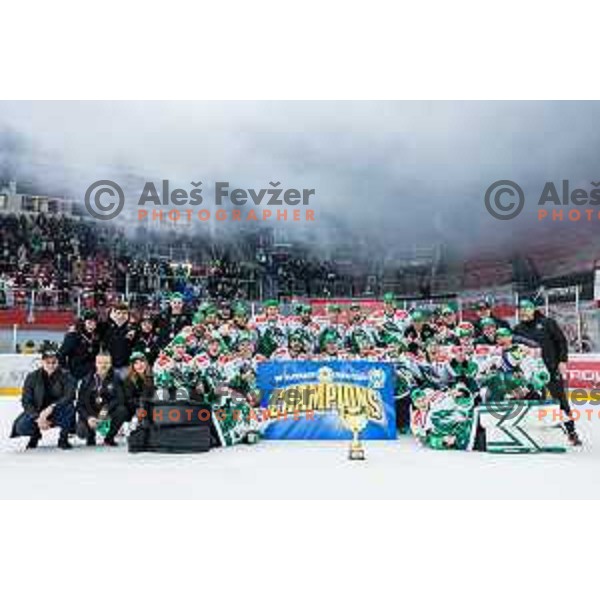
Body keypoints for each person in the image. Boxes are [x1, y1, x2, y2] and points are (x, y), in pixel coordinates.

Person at [513, 299, 582, 446]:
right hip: (530, 374)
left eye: (527, 309)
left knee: (561, 401)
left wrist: (562, 361)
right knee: (536, 401)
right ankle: (540, 431)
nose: (524, 312)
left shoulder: (547, 323)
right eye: (521, 309)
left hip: (550, 369)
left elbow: (561, 342)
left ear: (533, 309)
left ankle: (571, 431)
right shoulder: (518, 329)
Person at [10, 347, 76, 450]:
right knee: (21, 427)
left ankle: (63, 438)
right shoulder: (32, 377)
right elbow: (26, 401)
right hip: (38, 413)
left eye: (54, 362)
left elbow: (69, 396)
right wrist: (37, 418)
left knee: (69, 408)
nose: (51, 365)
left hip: (57, 412)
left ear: (58, 362)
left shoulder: (66, 375)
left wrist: (51, 408)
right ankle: (35, 435)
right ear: (42, 362)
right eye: (47, 362)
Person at [76, 352, 129, 446]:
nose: (103, 365)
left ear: (111, 363)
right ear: (95, 363)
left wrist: (106, 410)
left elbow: (120, 399)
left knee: (122, 410)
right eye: (100, 363)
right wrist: (89, 418)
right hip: (91, 412)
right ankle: (90, 436)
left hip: (107, 411)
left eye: (106, 363)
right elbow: (80, 404)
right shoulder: (86, 380)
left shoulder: (116, 378)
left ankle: (109, 438)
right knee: (81, 431)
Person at [58, 309, 101, 380]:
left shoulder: (96, 336)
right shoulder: (73, 335)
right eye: (89, 322)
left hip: (91, 374)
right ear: (83, 322)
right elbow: (61, 354)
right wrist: (66, 371)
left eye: (94, 323)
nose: (92, 326)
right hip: (75, 374)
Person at [122, 352, 155, 421]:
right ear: (132, 366)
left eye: (142, 361)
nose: (140, 365)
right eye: (136, 363)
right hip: (137, 410)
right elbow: (129, 400)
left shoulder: (153, 376)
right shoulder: (129, 381)